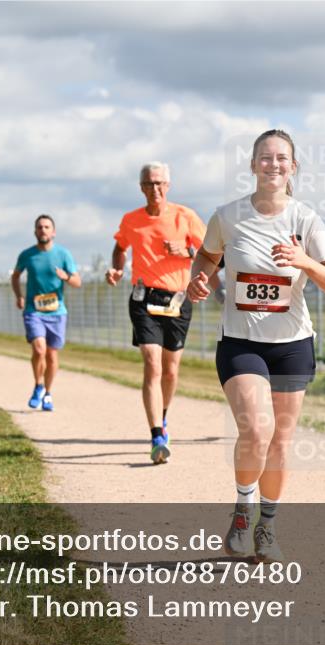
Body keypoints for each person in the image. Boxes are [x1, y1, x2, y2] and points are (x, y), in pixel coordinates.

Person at [187, 129, 325, 563]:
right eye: (265, 157)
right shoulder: (228, 216)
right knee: (256, 431)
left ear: (293, 167)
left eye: (282, 159)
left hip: (292, 343)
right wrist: (198, 279)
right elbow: (207, 256)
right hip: (241, 341)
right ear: (253, 164)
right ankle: (242, 509)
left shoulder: (307, 220)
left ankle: (267, 526)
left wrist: (304, 262)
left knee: (280, 442)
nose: (273, 165)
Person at [106, 161, 207, 464]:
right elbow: (119, 246)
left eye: (161, 183)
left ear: (169, 186)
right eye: (150, 183)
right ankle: (156, 437)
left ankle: (162, 417)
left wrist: (187, 252)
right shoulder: (131, 220)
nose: (156, 189)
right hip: (143, 297)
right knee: (153, 364)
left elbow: (213, 252)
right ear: (141, 187)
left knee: (171, 369)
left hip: (177, 298)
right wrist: (117, 268)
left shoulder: (185, 216)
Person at [11, 215, 81, 411]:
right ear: (35, 232)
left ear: (53, 232)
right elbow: (15, 275)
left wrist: (65, 276)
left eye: (47, 227)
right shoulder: (27, 255)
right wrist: (19, 295)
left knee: (51, 354)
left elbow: (77, 282)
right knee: (39, 349)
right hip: (34, 310)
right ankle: (38, 385)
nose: (43, 230)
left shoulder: (63, 254)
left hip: (57, 311)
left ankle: (48, 393)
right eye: (40, 227)